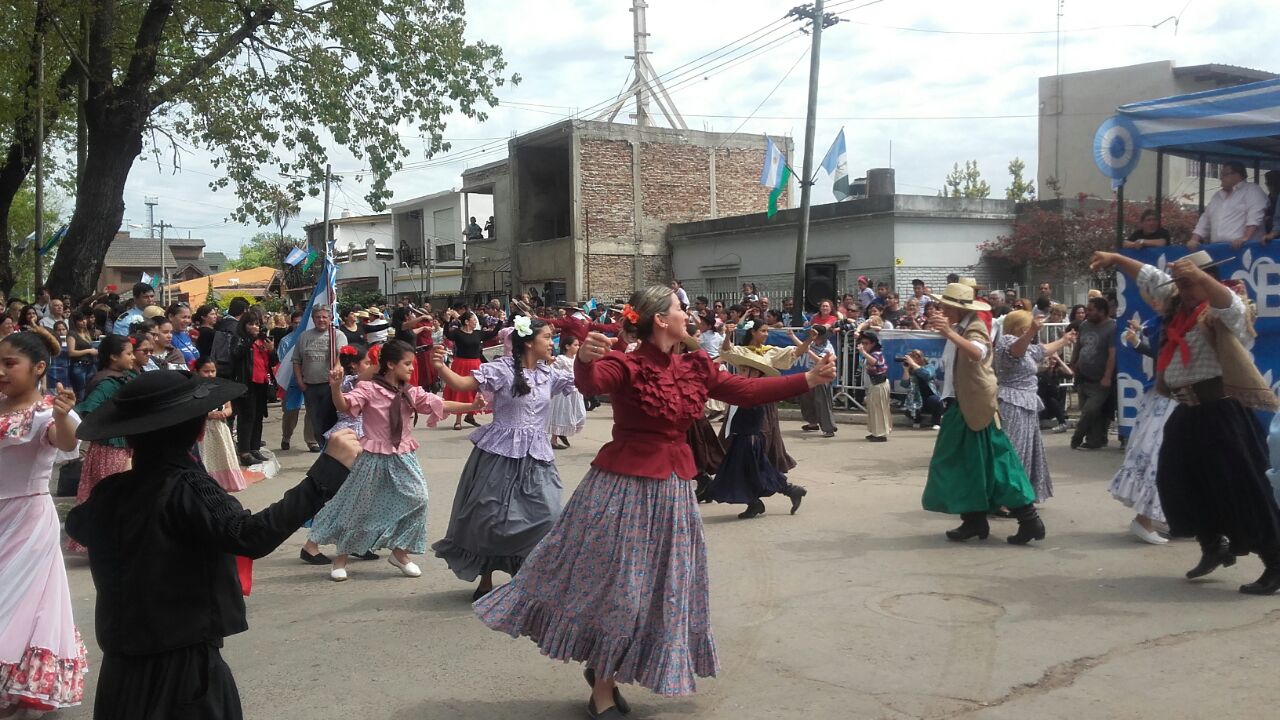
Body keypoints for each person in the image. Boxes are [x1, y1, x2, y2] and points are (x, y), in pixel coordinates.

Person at [474, 286, 835, 711]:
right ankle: (602, 688)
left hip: (676, 491)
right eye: (681, 308)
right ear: (661, 320)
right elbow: (594, 381)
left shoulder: (695, 365)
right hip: (623, 487)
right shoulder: (626, 364)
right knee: (622, 588)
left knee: (664, 587)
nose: (689, 314)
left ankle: (612, 669)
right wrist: (587, 360)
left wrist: (808, 379)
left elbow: (744, 391)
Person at [65, 369, 359, 718]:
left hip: (121, 671)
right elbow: (250, 535)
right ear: (201, 430)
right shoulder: (187, 487)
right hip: (184, 671)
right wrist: (326, 472)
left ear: (129, 439)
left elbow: (77, 525)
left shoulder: (111, 492)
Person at [1091, 249, 1280, 594]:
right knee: (1175, 480)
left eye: (1187, 282)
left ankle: (1274, 561)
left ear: (1204, 279)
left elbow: (1231, 308)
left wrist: (1200, 278)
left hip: (1222, 411)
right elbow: (1150, 277)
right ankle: (1213, 544)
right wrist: (1117, 258)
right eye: (1179, 283)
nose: (1181, 289)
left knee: (1243, 490)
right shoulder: (1180, 306)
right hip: (1187, 410)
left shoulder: (1224, 306)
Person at [431, 317, 576, 599]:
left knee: (547, 514)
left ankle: (525, 574)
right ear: (530, 342)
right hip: (499, 454)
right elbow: (462, 384)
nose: (552, 342)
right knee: (490, 518)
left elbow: (587, 379)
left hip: (536, 457)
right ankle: (485, 578)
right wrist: (439, 367)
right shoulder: (502, 370)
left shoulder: (551, 373)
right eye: (547, 337)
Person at [308, 341, 475, 582]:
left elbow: (438, 403)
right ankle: (341, 558)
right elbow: (345, 405)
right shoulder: (369, 388)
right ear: (390, 364)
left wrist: (473, 405)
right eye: (407, 364)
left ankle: (400, 553)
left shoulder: (410, 391)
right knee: (358, 506)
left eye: (412, 364)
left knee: (420, 499)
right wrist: (335, 388)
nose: (411, 369)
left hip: (403, 456)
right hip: (373, 457)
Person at [0, 330, 88, 714]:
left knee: (15, 603)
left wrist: (63, 414)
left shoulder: (47, 411)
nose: (1, 371)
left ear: (38, 368)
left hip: (28, 521)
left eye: (9, 363)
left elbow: (67, 444)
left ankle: (16, 685)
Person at [921, 282, 1044, 545]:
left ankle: (1028, 518)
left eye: (945, 306)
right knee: (963, 464)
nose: (941, 309)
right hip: (961, 404)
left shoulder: (975, 326)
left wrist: (949, 333)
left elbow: (978, 352)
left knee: (996, 462)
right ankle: (973, 520)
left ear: (956, 307)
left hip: (977, 407)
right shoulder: (960, 326)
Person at [63, 334, 137, 553]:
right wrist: (114, 421)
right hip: (109, 449)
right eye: (129, 353)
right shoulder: (106, 383)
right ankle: (105, 542)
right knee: (111, 496)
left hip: (123, 446)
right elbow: (86, 409)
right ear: (114, 357)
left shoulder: (125, 377)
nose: (132, 358)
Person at [993, 311, 1077, 503]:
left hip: (1026, 403)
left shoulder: (1025, 344)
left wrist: (1064, 340)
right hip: (1013, 403)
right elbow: (1016, 351)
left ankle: (1021, 493)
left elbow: (1042, 350)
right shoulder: (1007, 341)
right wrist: (1031, 331)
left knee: (1027, 449)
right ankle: (1005, 498)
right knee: (1014, 450)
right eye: (1029, 325)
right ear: (1021, 327)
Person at [1108, 311, 1174, 544]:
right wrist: (1139, 340)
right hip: (1170, 397)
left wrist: (1139, 340)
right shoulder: (1169, 321)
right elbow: (1166, 354)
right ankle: (1147, 518)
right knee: (1160, 458)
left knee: (1169, 459)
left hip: (1174, 397)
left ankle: (1164, 516)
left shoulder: (1168, 320)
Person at [720, 319, 806, 474]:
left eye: (767, 331)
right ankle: (736, 464)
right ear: (753, 332)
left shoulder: (770, 351)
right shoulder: (742, 351)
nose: (766, 334)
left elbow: (794, 353)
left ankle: (764, 464)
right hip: (743, 396)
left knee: (765, 432)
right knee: (738, 431)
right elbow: (726, 351)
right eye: (763, 331)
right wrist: (727, 335)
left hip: (764, 397)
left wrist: (810, 340)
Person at [293, 304, 348, 447]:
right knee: (316, 421)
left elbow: (341, 356)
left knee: (332, 421)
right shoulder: (304, 336)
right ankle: (323, 448)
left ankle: (334, 450)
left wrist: (336, 369)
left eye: (324, 317)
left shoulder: (337, 335)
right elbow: (296, 361)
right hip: (310, 386)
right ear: (313, 319)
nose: (321, 320)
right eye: (318, 317)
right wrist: (300, 380)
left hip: (330, 386)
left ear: (330, 318)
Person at [193, 357, 248, 493]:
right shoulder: (194, 389)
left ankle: (224, 483)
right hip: (204, 429)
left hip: (220, 428)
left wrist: (224, 413)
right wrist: (208, 415)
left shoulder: (220, 387)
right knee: (206, 457)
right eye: (206, 371)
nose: (210, 374)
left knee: (223, 455)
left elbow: (229, 407)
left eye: (213, 371)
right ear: (197, 371)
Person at [1187, 161, 1267, 249]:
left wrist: (1245, 237)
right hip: (1218, 249)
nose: (1221, 178)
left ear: (1237, 175)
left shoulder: (1252, 190)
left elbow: (1255, 215)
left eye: (1224, 174)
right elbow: (1205, 219)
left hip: (1244, 248)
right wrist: (1194, 239)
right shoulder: (1217, 196)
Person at [1070, 297, 1116, 450]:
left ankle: (1077, 437)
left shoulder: (1112, 327)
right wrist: (1073, 363)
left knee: (1090, 410)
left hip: (1100, 379)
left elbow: (1112, 354)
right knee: (1089, 412)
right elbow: (1078, 346)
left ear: (1102, 312)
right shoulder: (1085, 325)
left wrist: (1107, 376)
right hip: (1083, 377)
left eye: (1091, 310)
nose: (1087, 313)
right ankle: (1094, 440)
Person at [231, 311, 273, 466]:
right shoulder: (240, 339)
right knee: (246, 417)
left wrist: (271, 349)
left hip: (262, 382)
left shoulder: (263, 340)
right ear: (244, 325)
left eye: (256, 324)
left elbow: (272, 361)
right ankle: (244, 451)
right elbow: (236, 354)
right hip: (247, 382)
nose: (254, 327)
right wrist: (250, 339)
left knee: (258, 417)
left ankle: (255, 447)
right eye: (251, 324)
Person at [444, 311, 499, 430]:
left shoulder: (478, 334)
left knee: (476, 391)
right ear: (467, 322)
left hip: (475, 363)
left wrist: (499, 320)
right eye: (473, 319)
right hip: (461, 364)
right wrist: (447, 320)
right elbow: (447, 334)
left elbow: (493, 333)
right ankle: (458, 420)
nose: (475, 322)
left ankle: (470, 416)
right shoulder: (458, 333)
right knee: (460, 391)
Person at [794, 325, 837, 438]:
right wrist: (792, 336)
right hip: (811, 373)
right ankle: (812, 423)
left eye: (814, 335)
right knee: (806, 399)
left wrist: (808, 352)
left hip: (822, 375)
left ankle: (829, 428)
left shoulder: (828, 347)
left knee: (821, 401)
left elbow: (820, 361)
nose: (812, 337)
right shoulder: (812, 343)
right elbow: (802, 346)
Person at [547, 334, 587, 449]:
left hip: (576, 391)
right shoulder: (561, 359)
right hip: (563, 393)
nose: (578, 347)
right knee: (561, 414)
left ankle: (562, 432)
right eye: (575, 345)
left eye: (578, 345)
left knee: (580, 415)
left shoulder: (577, 359)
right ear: (567, 346)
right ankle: (554, 439)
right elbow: (552, 372)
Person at [859, 330, 892, 442]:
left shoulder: (876, 353)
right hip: (875, 384)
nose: (864, 345)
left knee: (880, 410)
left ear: (873, 343)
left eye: (866, 343)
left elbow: (874, 362)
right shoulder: (870, 354)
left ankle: (881, 434)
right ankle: (875, 432)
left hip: (880, 383)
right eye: (862, 343)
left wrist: (863, 352)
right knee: (873, 409)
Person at [901, 349, 943, 429]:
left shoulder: (930, 367)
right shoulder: (911, 370)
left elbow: (926, 375)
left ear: (921, 358)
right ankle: (917, 420)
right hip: (917, 399)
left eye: (915, 357)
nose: (912, 360)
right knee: (910, 404)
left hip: (930, 399)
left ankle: (936, 423)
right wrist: (906, 370)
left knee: (936, 400)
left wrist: (913, 364)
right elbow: (904, 384)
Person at [66, 310, 98, 399]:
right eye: (80, 320)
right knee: (81, 393)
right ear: (75, 322)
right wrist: (88, 351)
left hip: (91, 365)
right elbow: (71, 352)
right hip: (79, 366)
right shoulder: (72, 334)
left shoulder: (86, 332)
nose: (84, 322)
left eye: (84, 319)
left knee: (91, 390)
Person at [167, 302, 199, 367]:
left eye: (189, 317)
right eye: (184, 317)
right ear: (170, 317)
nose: (187, 321)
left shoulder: (186, 335)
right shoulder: (168, 337)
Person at [1262, 170, 1280, 242]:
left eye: (1269, 183)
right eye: (1267, 183)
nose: (1267, 186)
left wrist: (1273, 233)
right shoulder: (1270, 196)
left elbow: (1278, 219)